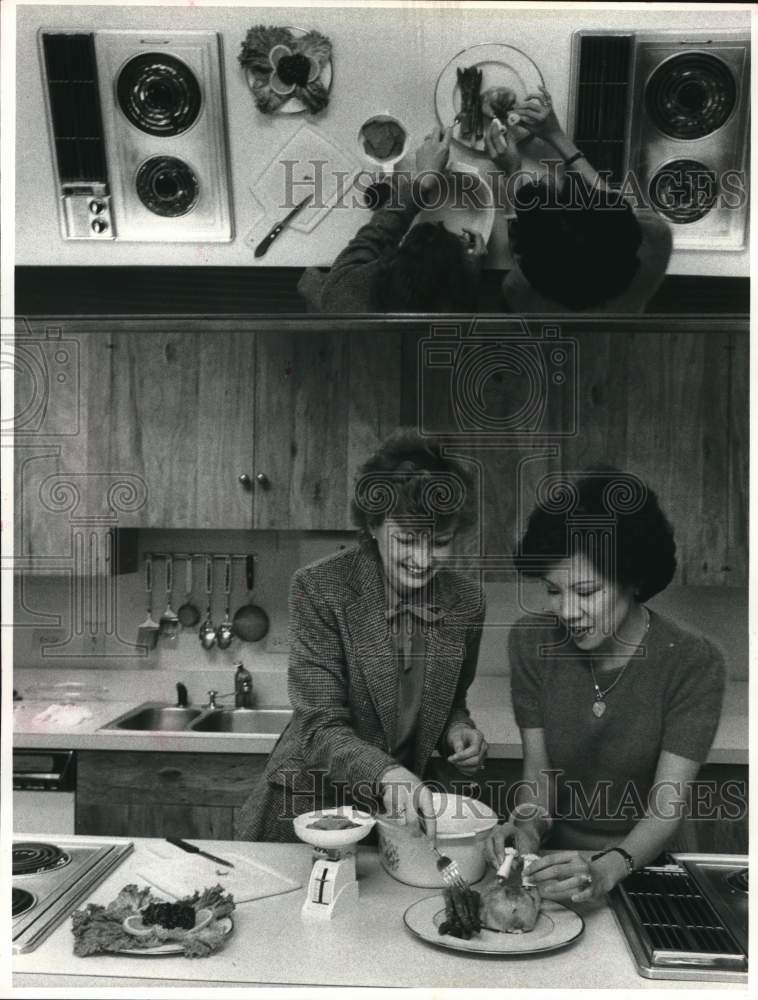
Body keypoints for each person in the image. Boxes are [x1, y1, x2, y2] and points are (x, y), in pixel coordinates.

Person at [484, 467, 725, 904]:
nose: (567, 611)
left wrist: (606, 868)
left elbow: (664, 809)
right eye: (554, 591)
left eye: (586, 591)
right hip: (557, 866)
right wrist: (526, 828)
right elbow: (540, 779)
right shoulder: (530, 642)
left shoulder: (693, 661)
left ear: (633, 580)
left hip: (646, 868)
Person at [235, 429, 488, 842]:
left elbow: (450, 703)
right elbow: (320, 727)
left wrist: (459, 733)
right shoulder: (321, 588)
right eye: (407, 540)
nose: (424, 560)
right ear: (372, 524)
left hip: (399, 815)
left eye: (440, 543)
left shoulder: (466, 601)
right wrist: (388, 774)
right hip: (310, 808)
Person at [485, 87, 672, 313]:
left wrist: (512, 172)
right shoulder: (655, 239)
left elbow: (523, 246)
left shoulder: (520, 290)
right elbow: (606, 204)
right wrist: (556, 136)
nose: (553, 180)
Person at [297, 127, 487, 312]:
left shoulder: (344, 293)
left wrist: (422, 182)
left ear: (386, 264)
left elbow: (374, 236)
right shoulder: (455, 322)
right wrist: (468, 275)